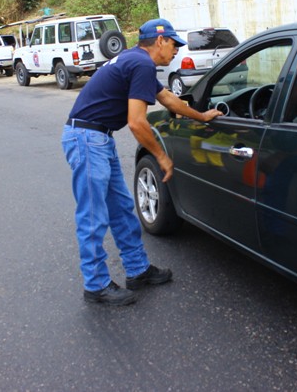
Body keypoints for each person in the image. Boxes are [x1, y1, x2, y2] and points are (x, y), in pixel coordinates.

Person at [62, 18, 223, 306]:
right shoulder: (141, 64)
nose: (176, 51)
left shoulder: (134, 59)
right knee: (93, 216)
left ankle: (137, 270)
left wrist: (202, 116)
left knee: (122, 209)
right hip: (87, 139)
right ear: (160, 41)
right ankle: (96, 285)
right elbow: (137, 123)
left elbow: (168, 99)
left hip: (97, 137)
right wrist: (162, 157)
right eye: (174, 44)